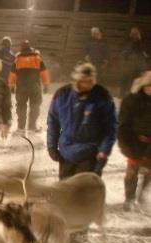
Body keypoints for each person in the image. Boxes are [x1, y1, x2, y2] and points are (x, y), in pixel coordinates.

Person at [47, 63, 117, 180]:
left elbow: (110, 126)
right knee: (65, 190)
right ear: (76, 80)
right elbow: (53, 122)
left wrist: (104, 150)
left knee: (84, 193)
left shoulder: (102, 96)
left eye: (90, 81)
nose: (87, 84)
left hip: (90, 153)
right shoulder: (63, 94)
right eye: (84, 81)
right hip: (66, 153)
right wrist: (51, 146)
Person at [118, 71, 151, 211]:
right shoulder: (132, 100)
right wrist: (126, 144)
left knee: (149, 171)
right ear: (143, 85)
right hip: (135, 142)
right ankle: (129, 198)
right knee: (132, 171)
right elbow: (123, 123)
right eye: (149, 85)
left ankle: (143, 192)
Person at [9, 40, 50, 133]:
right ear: (30, 47)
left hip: (21, 87)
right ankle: (32, 126)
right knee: (35, 105)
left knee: (21, 106)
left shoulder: (17, 59)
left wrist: (11, 86)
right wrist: (46, 84)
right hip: (34, 86)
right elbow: (44, 72)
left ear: (21, 48)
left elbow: (12, 74)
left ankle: (20, 127)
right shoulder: (37, 57)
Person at [120, 27, 150, 98]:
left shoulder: (142, 43)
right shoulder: (128, 42)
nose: (135, 35)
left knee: (137, 80)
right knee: (127, 79)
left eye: (136, 33)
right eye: (133, 33)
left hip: (138, 66)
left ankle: (135, 94)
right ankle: (125, 95)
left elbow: (145, 54)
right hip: (130, 65)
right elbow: (124, 53)